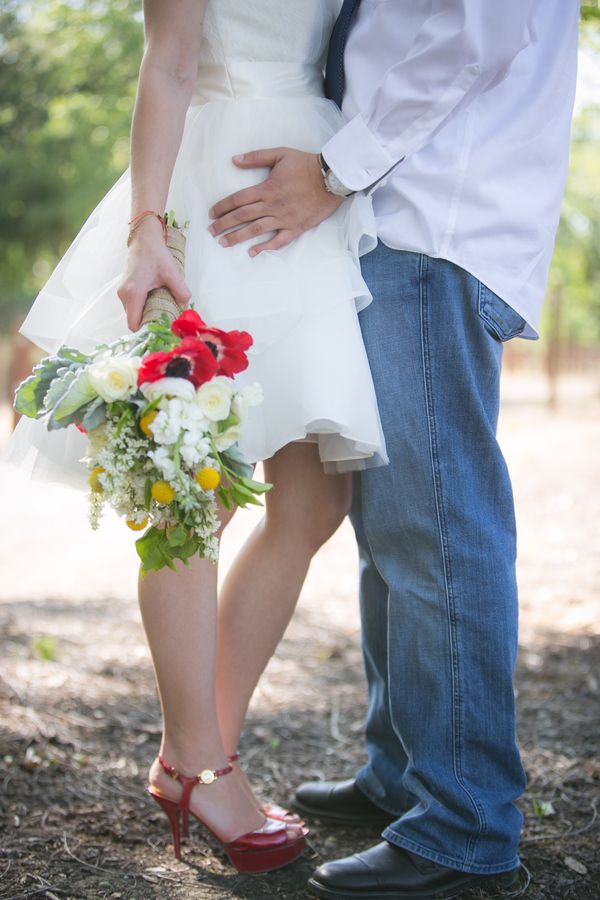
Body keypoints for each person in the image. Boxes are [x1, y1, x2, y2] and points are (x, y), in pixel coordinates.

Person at [4, 0, 389, 874]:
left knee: (316, 497)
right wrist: (150, 231)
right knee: (190, 486)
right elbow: (169, 61)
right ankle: (206, 765)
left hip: (311, 182)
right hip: (213, 179)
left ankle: (195, 752)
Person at [207, 0, 580, 895]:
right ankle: (405, 772)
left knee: (435, 527)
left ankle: (464, 825)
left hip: (431, 219)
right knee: (394, 524)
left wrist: (336, 168)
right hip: (399, 212)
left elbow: (476, 27)